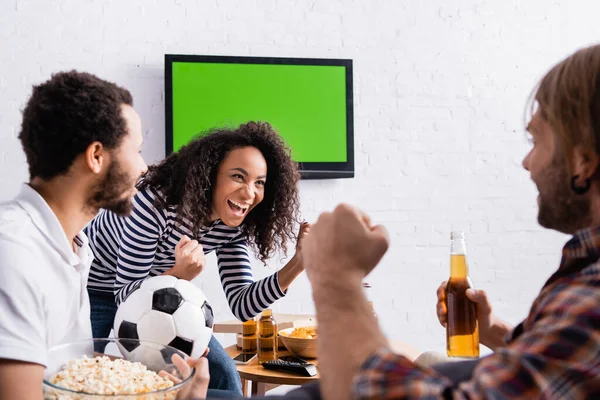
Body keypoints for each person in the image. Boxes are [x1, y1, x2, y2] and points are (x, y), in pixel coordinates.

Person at [294, 43, 600, 399]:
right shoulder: (583, 283)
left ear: (583, 161)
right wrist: (493, 332)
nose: (527, 162)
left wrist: (336, 280)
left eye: (536, 140)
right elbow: (558, 369)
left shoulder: (591, 297)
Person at [0, 71, 215, 399]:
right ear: (96, 156)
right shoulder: (14, 252)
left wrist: (148, 380)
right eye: (137, 150)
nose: (144, 169)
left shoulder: (71, 244)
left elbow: (64, 367)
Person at [85, 121, 308, 394]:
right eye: (238, 176)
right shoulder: (153, 203)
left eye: (259, 182)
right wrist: (180, 275)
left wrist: (298, 264)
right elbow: (124, 295)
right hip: (96, 288)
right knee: (82, 373)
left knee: (225, 376)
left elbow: (242, 304)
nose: (250, 193)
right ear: (211, 174)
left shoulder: (232, 226)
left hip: (158, 297)